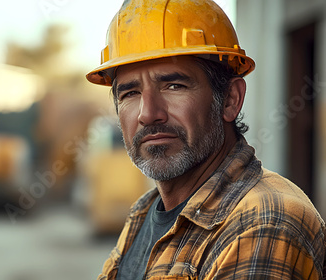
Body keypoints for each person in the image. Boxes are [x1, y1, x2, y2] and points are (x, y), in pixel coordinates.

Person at [85, 0, 326, 279]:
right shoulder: (145, 212)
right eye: (130, 93)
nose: (148, 114)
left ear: (229, 99)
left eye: (174, 85)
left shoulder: (263, 221)